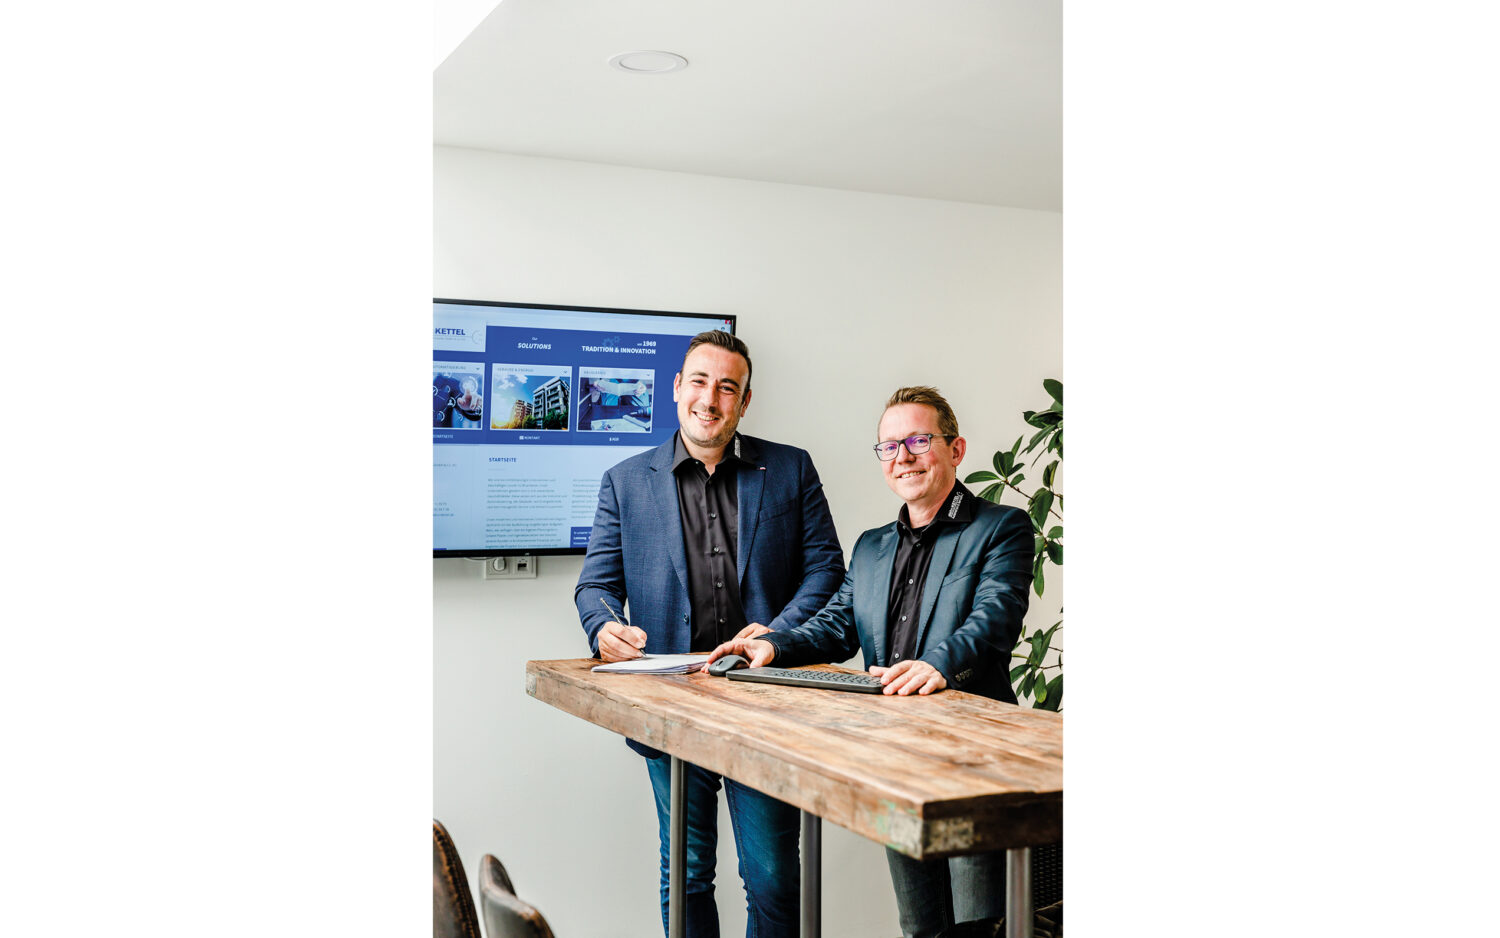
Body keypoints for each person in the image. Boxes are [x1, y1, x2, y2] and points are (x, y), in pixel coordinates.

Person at [705, 386, 1033, 938]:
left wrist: (936, 664)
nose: (903, 457)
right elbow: (836, 626)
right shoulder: (871, 547)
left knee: (980, 926)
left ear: (955, 450)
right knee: (920, 924)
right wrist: (774, 645)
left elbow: (995, 619)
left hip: (973, 763)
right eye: (889, 446)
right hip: (895, 757)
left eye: (919, 441)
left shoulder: (1001, 527)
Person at [574, 330, 846, 938]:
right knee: (688, 872)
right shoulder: (625, 480)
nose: (710, 398)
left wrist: (776, 632)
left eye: (727, 387)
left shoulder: (791, 468)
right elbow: (595, 585)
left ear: (745, 401)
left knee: (774, 878)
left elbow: (827, 569)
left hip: (767, 699)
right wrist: (605, 626)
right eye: (699, 381)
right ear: (677, 388)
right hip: (673, 703)